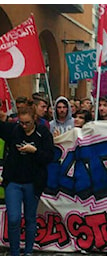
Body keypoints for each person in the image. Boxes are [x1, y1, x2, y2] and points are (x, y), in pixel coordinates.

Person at [0, 101, 54, 256]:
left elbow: (49, 156)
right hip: (13, 182)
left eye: (27, 123)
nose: (24, 126)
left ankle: (29, 252)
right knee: (14, 218)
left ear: (35, 119)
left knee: (30, 218)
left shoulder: (43, 133)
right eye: (21, 123)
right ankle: (15, 252)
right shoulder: (14, 130)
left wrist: (34, 151)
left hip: (33, 182)